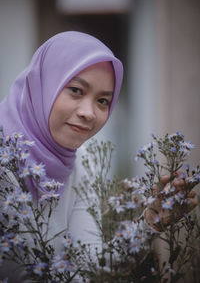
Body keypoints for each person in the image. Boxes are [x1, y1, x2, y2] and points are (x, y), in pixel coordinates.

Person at [0, 31, 197, 281]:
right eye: (75, 90)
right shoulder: (5, 162)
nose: (89, 113)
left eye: (103, 100)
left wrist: (151, 221)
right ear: (43, 84)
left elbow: (92, 265)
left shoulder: (82, 162)